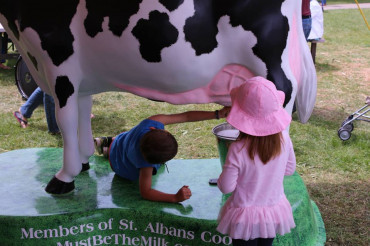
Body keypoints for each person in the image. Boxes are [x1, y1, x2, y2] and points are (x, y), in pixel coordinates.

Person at [216, 77, 296, 246]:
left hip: (244, 218)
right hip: (272, 213)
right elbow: (289, 169)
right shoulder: (285, 139)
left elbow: (226, 187)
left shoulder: (237, 148)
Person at [94, 106, 230, 203]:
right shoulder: (146, 166)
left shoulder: (151, 122)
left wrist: (217, 114)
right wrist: (175, 198)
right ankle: (107, 148)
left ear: (153, 128)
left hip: (119, 142)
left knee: (126, 139)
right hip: (118, 166)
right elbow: (146, 192)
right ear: (153, 163)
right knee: (127, 150)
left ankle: (107, 143)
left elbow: (186, 116)